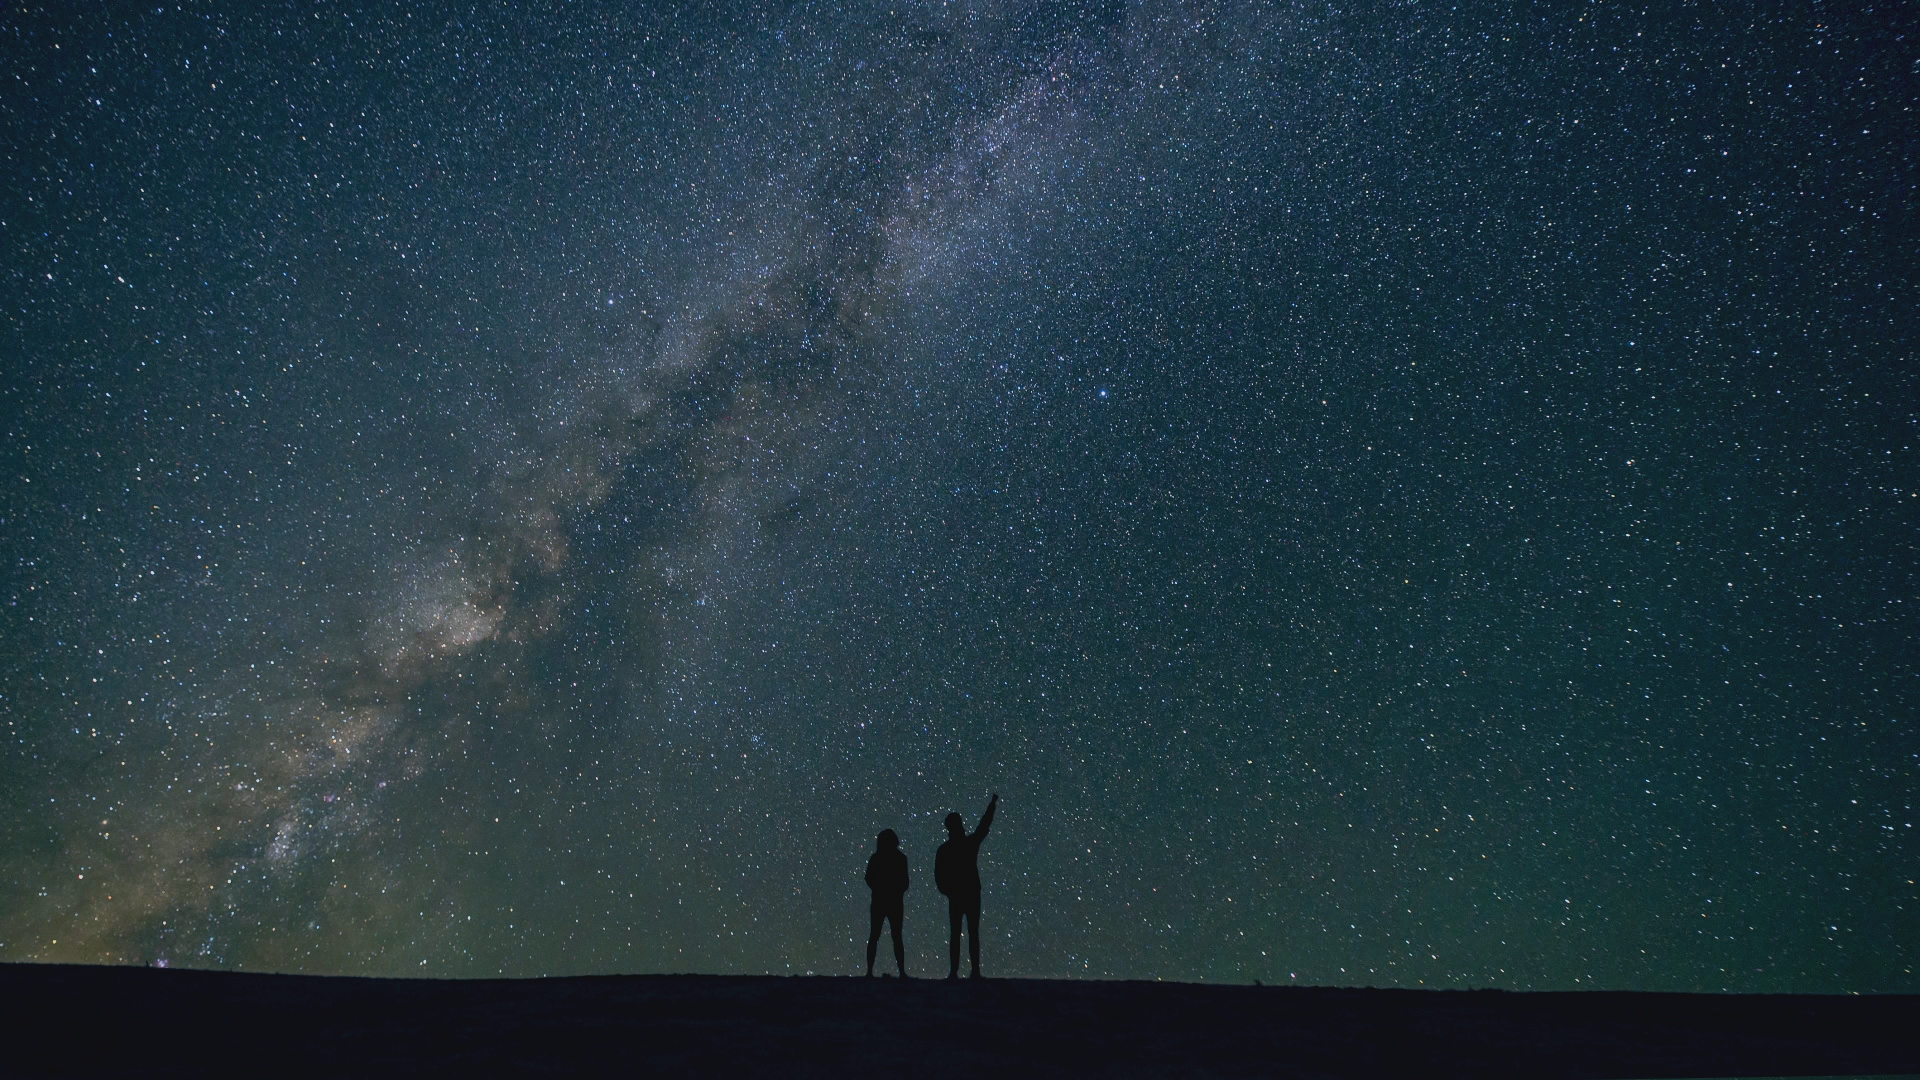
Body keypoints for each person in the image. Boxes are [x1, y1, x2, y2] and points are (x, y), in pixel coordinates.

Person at [934, 792, 997, 980]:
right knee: (971, 932)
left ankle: (957, 972)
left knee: (958, 933)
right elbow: (983, 827)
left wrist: (946, 890)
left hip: (959, 894)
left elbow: (939, 875)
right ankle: (972, 971)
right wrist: (992, 806)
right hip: (968, 893)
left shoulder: (945, 849)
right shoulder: (967, 844)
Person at [864, 828, 910, 978]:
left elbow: (869, 878)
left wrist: (879, 888)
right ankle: (901, 972)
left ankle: (870, 972)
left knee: (876, 936)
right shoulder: (900, 858)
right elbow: (904, 883)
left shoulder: (877, 858)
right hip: (894, 902)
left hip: (880, 900)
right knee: (895, 937)